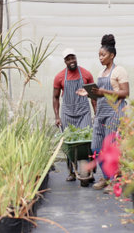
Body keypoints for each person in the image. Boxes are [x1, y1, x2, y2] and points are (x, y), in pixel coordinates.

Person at [77, 34, 129, 190]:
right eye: (99, 55)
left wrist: (103, 91)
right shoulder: (101, 74)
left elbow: (125, 93)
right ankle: (106, 178)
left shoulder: (119, 71)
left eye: (103, 55)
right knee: (96, 147)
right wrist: (89, 93)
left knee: (111, 147)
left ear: (111, 55)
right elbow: (99, 94)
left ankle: (114, 180)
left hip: (115, 112)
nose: (100, 58)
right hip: (101, 113)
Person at [53, 48, 97, 181]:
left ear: (76, 58)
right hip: (67, 113)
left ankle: (89, 169)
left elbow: (93, 96)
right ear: (65, 61)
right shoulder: (59, 77)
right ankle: (71, 172)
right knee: (70, 143)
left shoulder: (86, 74)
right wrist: (57, 116)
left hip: (83, 112)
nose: (71, 61)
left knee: (87, 142)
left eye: (73, 57)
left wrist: (97, 113)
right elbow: (55, 97)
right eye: (68, 59)